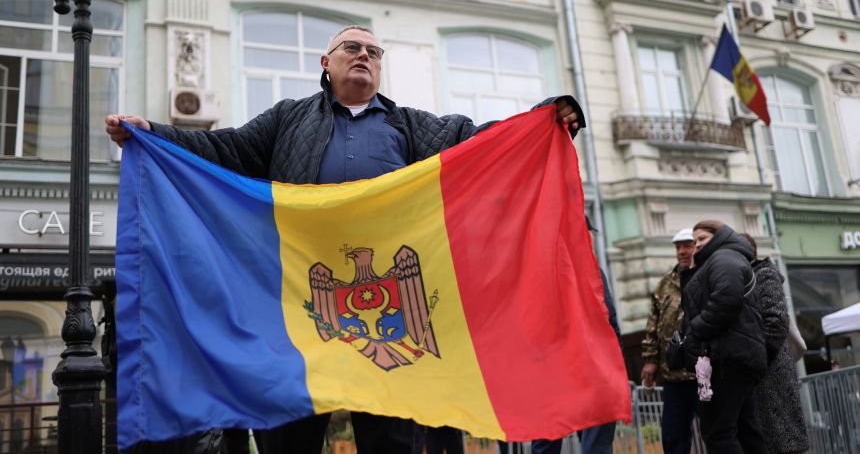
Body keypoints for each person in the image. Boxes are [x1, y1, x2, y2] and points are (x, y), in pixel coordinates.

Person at [105, 25, 584, 454]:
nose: (364, 56)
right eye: (351, 47)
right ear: (325, 62)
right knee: (290, 430)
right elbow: (225, 148)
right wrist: (157, 134)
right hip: (298, 303)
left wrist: (543, 119)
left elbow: (482, 143)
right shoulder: (288, 119)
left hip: (389, 313)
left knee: (390, 434)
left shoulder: (411, 125)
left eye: (374, 52)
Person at [531, 218, 621, 454]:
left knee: (547, 440)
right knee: (594, 443)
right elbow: (609, 322)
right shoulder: (589, 269)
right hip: (589, 368)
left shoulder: (540, 269)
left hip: (554, 368)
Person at [681, 220, 767, 454]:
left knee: (717, 432)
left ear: (719, 237)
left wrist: (694, 331)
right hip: (729, 357)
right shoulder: (716, 261)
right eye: (694, 240)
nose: (696, 245)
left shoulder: (724, 258)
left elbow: (726, 300)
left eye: (702, 239)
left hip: (726, 358)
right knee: (745, 430)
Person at [740, 234, 810, 454]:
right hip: (763, 364)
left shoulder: (764, 274)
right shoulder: (743, 278)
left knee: (784, 434)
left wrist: (759, 359)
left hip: (773, 365)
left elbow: (776, 320)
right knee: (768, 433)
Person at [640, 228, 698, 454]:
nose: (682, 252)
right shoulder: (664, 285)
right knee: (673, 436)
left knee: (716, 434)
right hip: (672, 374)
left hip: (703, 374)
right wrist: (650, 360)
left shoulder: (708, 275)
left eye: (688, 245)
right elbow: (652, 326)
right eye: (678, 247)